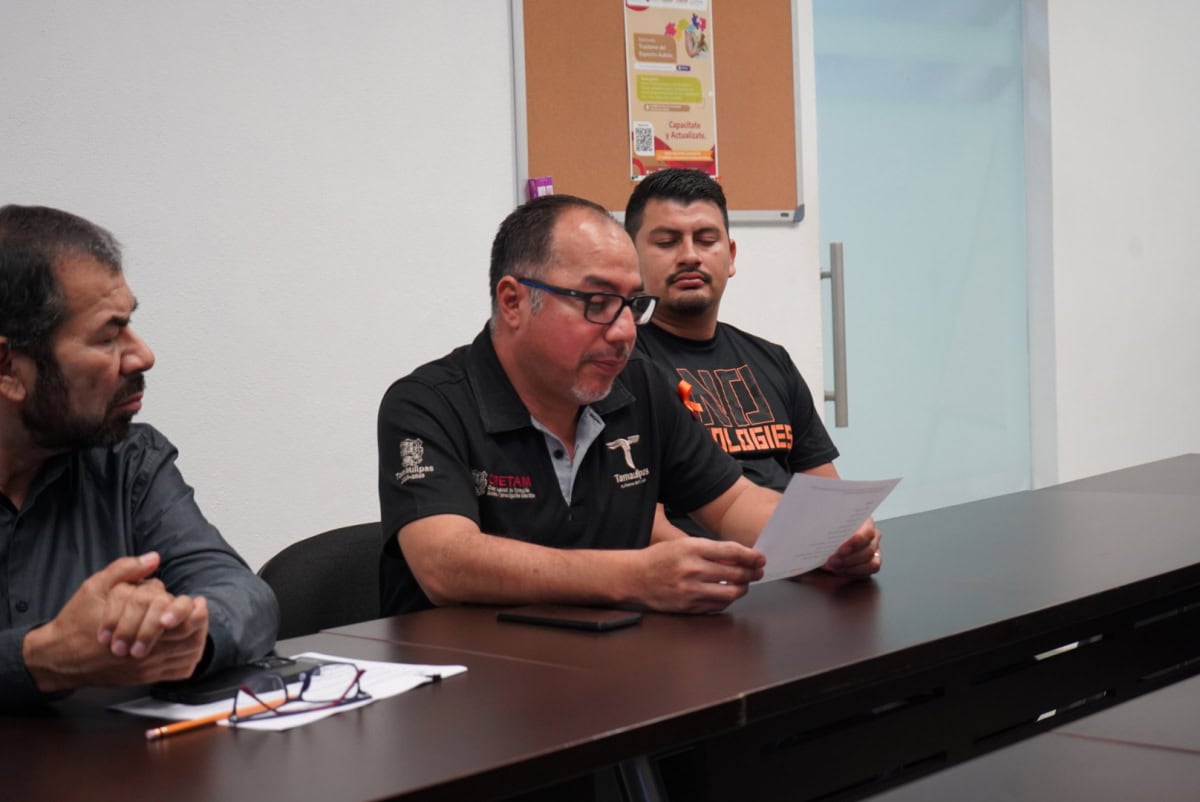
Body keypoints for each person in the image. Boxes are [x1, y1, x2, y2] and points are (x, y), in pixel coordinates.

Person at [377, 194, 880, 617]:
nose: (623, 332)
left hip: (613, 668)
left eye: (633, 305)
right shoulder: (427, 404)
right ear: (513, 302)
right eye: (597, 303)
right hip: (471, 680)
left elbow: (732, 503)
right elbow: (445, 562)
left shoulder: (639, 384)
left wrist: (824, 536)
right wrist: (634, 576)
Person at [0, 205, 278, 706]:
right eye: (109, 336)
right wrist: (41, 658)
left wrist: (178, 629)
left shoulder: (128, 461)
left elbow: (243, 595)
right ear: (7, 368)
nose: (142, 355)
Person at [625, 168, 882, 567]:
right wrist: (738, 572)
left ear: (730, 256)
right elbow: (646, 526)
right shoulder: (622, 364)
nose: (690, 255)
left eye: (706, 240)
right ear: (630, 257)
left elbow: (827, 494)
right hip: (705, 578)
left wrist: (850, 539)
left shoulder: (771, 359)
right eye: (667, 241)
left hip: (794, 568)